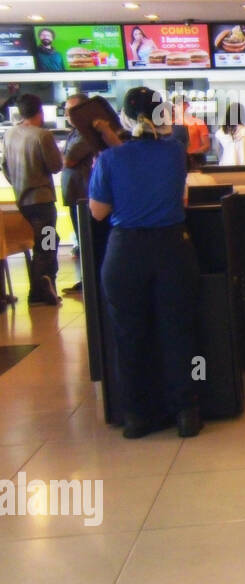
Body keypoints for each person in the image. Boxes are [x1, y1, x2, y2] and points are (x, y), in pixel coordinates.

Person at [88, 86, 203, 439]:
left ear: (123, 118)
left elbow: (98, 212)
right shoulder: (175, 152)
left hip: (126, 252)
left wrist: (107, 144)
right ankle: (186, 414)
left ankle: (137, 417)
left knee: (130, 335)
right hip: (173, 248)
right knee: (179, 331)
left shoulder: (109, 160)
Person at [2, 94, 63, 305]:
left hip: (22, 200)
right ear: (40, 112)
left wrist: (17, 183)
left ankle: (38, 289)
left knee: (40, 242)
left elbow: (4, 165)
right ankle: (42, 288)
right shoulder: (42, 135)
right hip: (42, 202)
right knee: (47, 243)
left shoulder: (10, 134)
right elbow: (56, 166)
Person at [61, 94, 123, 295]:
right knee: (83, 241)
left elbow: (68, 160)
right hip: (76, 194)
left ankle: (93, 282)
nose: (68, 115)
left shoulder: (87, 134)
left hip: (87, 195)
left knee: (90, 241)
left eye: (71, 111)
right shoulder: (76, 132)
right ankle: (88, 279)